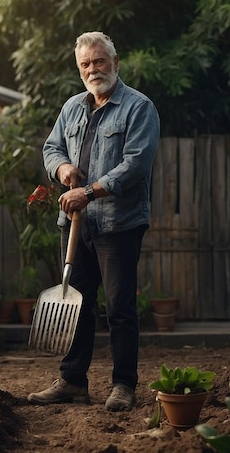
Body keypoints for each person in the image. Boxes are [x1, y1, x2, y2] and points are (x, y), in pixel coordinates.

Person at [28, 31, 160, 411]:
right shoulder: (71, 107)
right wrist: (63, 168)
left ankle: (124, 385)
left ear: (115, 63)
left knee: (119, 307)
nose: (92, 69)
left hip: (118, 224)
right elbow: (51, 147)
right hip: (74, 224)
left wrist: (89, 192)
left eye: (99, 61)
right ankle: (72, 381)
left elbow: (135, 165)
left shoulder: (138, 108)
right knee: (76, 304)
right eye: (85, 64)